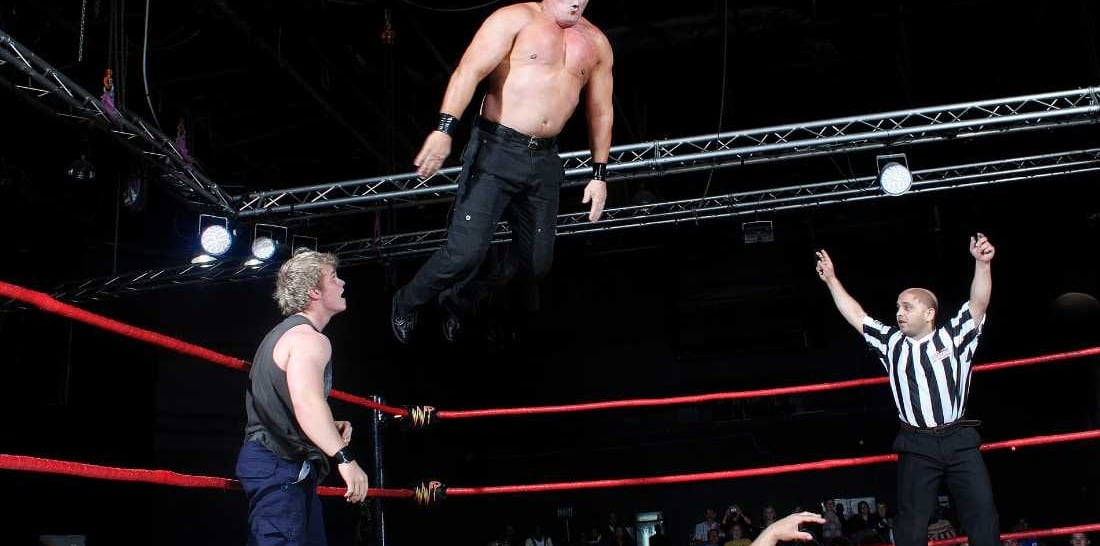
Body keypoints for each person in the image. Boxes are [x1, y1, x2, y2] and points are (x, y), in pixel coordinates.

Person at [391, 0, 614, 344]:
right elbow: (469, 70)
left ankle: (461, 301)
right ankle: (407, 301)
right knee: (464, 255)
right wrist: (444, 129)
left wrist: (599, 175)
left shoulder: (596, 43)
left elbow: (601, 110)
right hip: (496, 150)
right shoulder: (515, 19)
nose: (577, 2)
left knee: (536, 266)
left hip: (544, 159)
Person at [815, 233, 999, 546]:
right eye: (898, 306)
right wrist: (832, 279)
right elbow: (857, 316)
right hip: (916, 443)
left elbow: (978, 303)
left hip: (958, 438)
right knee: (911, 523)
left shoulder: (953, 337)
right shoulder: (891, 343)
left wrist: (982, 264)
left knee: (982, 514)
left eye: (907, 306)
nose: (899, 312)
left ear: (929, 313)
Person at [236, 249, 370, 545]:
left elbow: (287, 402)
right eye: (334, 278)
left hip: (280, 465)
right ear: (314, 291)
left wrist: (326, 426)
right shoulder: (311, 340)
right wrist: (345, 459)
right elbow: (307, 403)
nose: (342, 283)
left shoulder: (285, 334)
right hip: (279, 465)